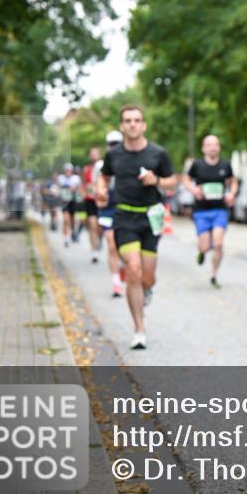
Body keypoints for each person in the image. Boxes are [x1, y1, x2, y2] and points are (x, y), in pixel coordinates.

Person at [95, 105, 175, 350]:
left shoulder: (158, 154)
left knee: (147, 277)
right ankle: (139, 329)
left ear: (144, 125)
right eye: (127, 120)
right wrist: (100, 189)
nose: (132, 124)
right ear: (122, 126)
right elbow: (104, 176)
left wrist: (157, 181)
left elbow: (172, 182)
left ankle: (146, 290)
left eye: (137, 120)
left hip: (151, 218)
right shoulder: (114, 155)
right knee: (133, 268)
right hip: (125, 218)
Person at [181, 135, 236, 288]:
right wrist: (193, 189)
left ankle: (213, 275)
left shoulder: (225, 165)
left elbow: (233, 182)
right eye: (209, 145)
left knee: (218, 243)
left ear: (218, 147)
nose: (213, 147)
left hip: (220, 209)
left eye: (216, 144)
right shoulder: (197, 165)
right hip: (201, 211)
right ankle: (202, 251)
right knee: (205, 246)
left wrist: (231, 193)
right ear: (203, 148)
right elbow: (185, 179)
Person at [98, 131, 126, 297]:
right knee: (111, 244)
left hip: (125, 208)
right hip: (108, 208)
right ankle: (116, 282)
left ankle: (123, 266)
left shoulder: (129, 161)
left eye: (117, 143)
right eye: (111, 144)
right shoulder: (100, 165)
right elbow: (98, 185)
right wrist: (100, 194)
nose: (114, 147)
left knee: (123, 246)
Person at [81, 146, 104, 264]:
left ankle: (99, 238)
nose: (94, 155)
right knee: (92, 224)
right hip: (90, 200)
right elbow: (83, 183)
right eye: (92, 153)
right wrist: (84, 192)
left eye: (96, 153)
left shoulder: (104, 166)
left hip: (101, 200)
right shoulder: (86, 169)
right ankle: (94, 251)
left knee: (100, 226)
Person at [57, 164, 81, 247]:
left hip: (73, 201)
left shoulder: (76, 178)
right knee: (66, 219)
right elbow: (59, 188)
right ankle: (65, 238)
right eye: (66, 170)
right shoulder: (61, 178)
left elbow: (78, 188)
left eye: (69, 170)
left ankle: (73, 232)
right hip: (64, 202)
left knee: (72, 220)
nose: (68, 172)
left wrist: (74, 189)